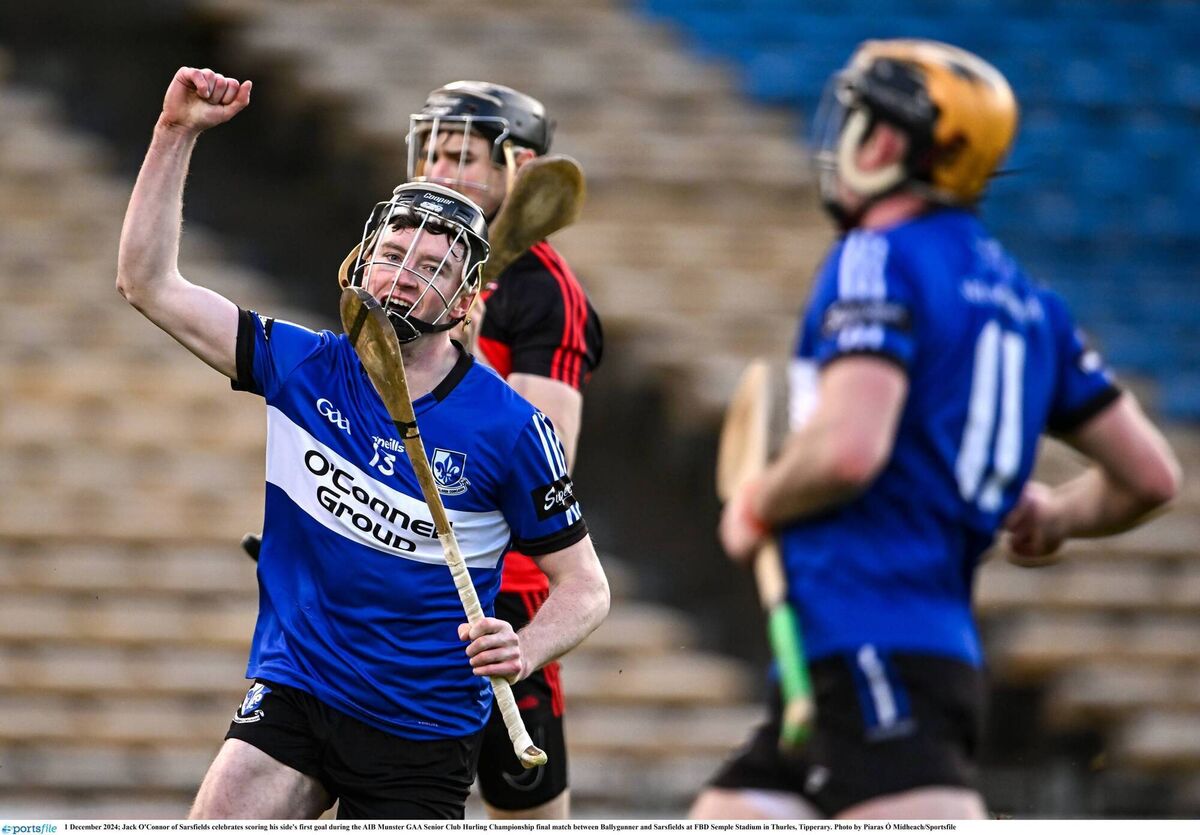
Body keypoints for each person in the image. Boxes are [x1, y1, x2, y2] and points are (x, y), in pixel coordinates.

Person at [690, 39, 1181, 820]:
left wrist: (759, 501)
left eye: (855, 120)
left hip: (870, 634)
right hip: (899, 646)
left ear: (886, 142)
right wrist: (1054, 514)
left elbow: (850, 449)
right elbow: (1150, 475)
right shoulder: (1031, 301)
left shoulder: (873, 258)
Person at [117, 66, 610, 820]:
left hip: (422, 725)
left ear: (466, 300)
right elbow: (148, 282)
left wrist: (527, 647)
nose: (402, 276)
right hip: (298, 685)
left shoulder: (511, 427)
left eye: (432, 266)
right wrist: (174, 133)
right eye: (391, 254)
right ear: (360, 261)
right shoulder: (306, 365)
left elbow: (586, 585)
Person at [404, 81, 604, 819]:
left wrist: (467, 358)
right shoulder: (409, 258)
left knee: (524, 809)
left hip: (499, 591)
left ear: (516, 170)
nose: (437, 171)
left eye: (460, 156)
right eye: (431, 151)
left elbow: (551, 453)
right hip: (391, 564)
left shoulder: (545, 292)